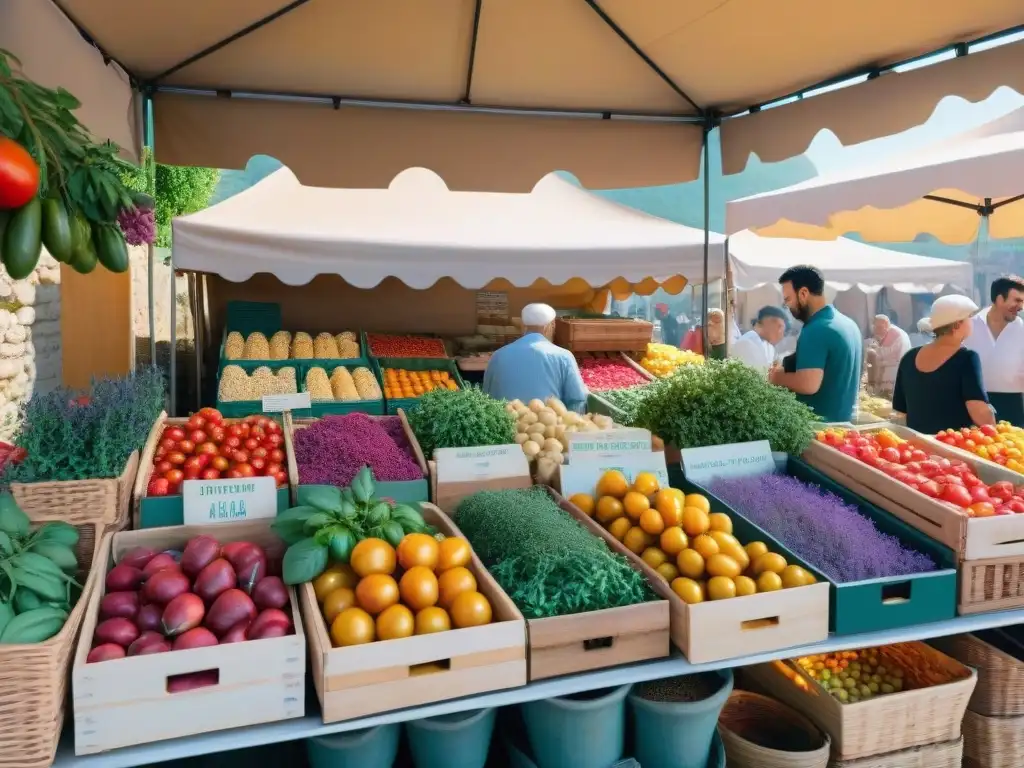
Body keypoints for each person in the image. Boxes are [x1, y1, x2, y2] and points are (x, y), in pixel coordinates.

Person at [770, 265, 862, 422]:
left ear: (804, 293)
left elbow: (808, 384)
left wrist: (776, 377)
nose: (787, 306)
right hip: (843, 423)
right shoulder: (848, 323)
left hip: (819, 427)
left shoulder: (816, 328)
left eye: (788, 299)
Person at [891, 295, 994, 433]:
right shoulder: (967, 358)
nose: (972, 321)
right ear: (957, 324)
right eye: (969, 317)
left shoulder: (909, 357)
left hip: (918, 446)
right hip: (953, 446)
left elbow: (901, 409)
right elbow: (978, 409)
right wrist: (994, 428)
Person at [483, 303, 588, 411]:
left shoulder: (498, 356)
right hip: (549, 425)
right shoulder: (564, 357)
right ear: (550, 326)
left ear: (523, 326)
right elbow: (577, 400)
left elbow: (485, 398)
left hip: (505, 425)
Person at [963, 276, 1024, 427]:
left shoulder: (1022, 329)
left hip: (1014, 406)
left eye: (1022, 301)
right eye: (1017, 300)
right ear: (999, 299)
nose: (1021, 306)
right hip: (974, 405)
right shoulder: (970, 324)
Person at [731, 306, 788, 374]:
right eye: (779, 326)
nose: (781, 333)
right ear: (767, 321)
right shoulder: (745, 344)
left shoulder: (769, 348)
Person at [866, 313, 911, 393]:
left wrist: (872, 350)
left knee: (871, 355)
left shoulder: (894, 334)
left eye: (879, 328)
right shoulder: (889, 331)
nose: (876, 330)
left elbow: (882, 353)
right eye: (875, 327)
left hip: (896, 367)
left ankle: (872, 386)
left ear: (886, 325)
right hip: (894, 364)